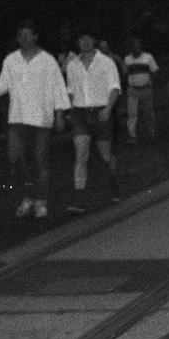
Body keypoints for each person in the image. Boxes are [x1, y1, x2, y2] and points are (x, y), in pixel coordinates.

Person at [0, 20, 70, 219]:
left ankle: (41, 201)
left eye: (28, 34)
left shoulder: (47, 60)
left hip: (41, 118)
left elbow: (58, 88)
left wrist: (59, 114)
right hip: (18, 118)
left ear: (35, 36)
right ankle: (27, 198)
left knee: (40, 160)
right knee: (19, 160)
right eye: (21, 35)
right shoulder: (11, 60)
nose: (24, 38)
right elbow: (3, 84)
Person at [65, 32, 122, 211]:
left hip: (100, 112)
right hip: (80, 114)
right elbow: (71, 90)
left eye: (88, 39)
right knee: (81, 154)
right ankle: (79, 199)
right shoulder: (72, 65)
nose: (85, 42)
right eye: (81, 39)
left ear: (93, 40)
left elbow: (114, 88)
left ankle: (114, 183)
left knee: (105, 155)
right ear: (77, 42)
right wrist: (68, 110)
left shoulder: (106, 62)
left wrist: (107, 109)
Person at [122, 36, 159, 143]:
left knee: (149, 112)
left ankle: (151, 133)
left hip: (145, 88)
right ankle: (132, 136)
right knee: (132, 113)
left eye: (137, 46)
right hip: (132, 89)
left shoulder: (148, 57)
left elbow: (155, 70)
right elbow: (124, 74)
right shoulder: (127, 59)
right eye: (134, 46)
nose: (135, 48)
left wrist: (151, 80)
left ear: (141, 47)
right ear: (131, 48)